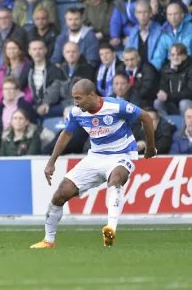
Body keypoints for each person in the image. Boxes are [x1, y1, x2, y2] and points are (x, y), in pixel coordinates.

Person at [30, 79, 156, 248]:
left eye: (78, 98)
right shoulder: (76, 113)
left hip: (122, 154)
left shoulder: (117, 106)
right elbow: (66, 135)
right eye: (74, 98)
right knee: (61, 193)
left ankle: (110, 229)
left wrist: (150, 147)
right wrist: (51, 162)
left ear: (91, 95)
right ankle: (48, 240)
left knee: (116, 179)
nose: (75, 103)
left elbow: (146, 118)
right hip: (95, 157)